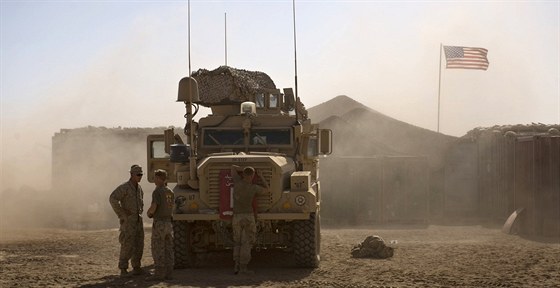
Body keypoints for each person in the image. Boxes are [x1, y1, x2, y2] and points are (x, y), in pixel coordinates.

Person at [230, 164, 269, 274]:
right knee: (246, 242)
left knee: (237, 242)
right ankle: (243, 268)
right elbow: (267, 190)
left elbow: (232, 167)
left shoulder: (237, 182)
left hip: (236, 216)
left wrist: (245, 170)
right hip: (248, 216)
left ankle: (236, 266)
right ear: (252, 176)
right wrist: (260, 176)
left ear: (243, 174)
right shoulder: (253, 188)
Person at [109, 164, 146, 276]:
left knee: (139, 244)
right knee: (127, 244)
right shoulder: (124, 187)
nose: (140, 177)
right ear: (131, 175)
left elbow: (141, 202)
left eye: (141, 174)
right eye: (138, 175)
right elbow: (113, 198)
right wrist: (122, 213)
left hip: (138, 220)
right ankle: (123, 268)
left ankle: (136, 266)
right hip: (129, 221)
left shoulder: (139, 188)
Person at [146, 169, 175, 281]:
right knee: (168, 248)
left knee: (158, 248)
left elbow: (154, 206)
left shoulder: (157, 191)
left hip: (160, 223)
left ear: (159, 178)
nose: (154, 180)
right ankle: (169, 273)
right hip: (168, 222)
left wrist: (149, 213)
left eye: (155, 178)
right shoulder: (170, 191)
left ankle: (159, 274)